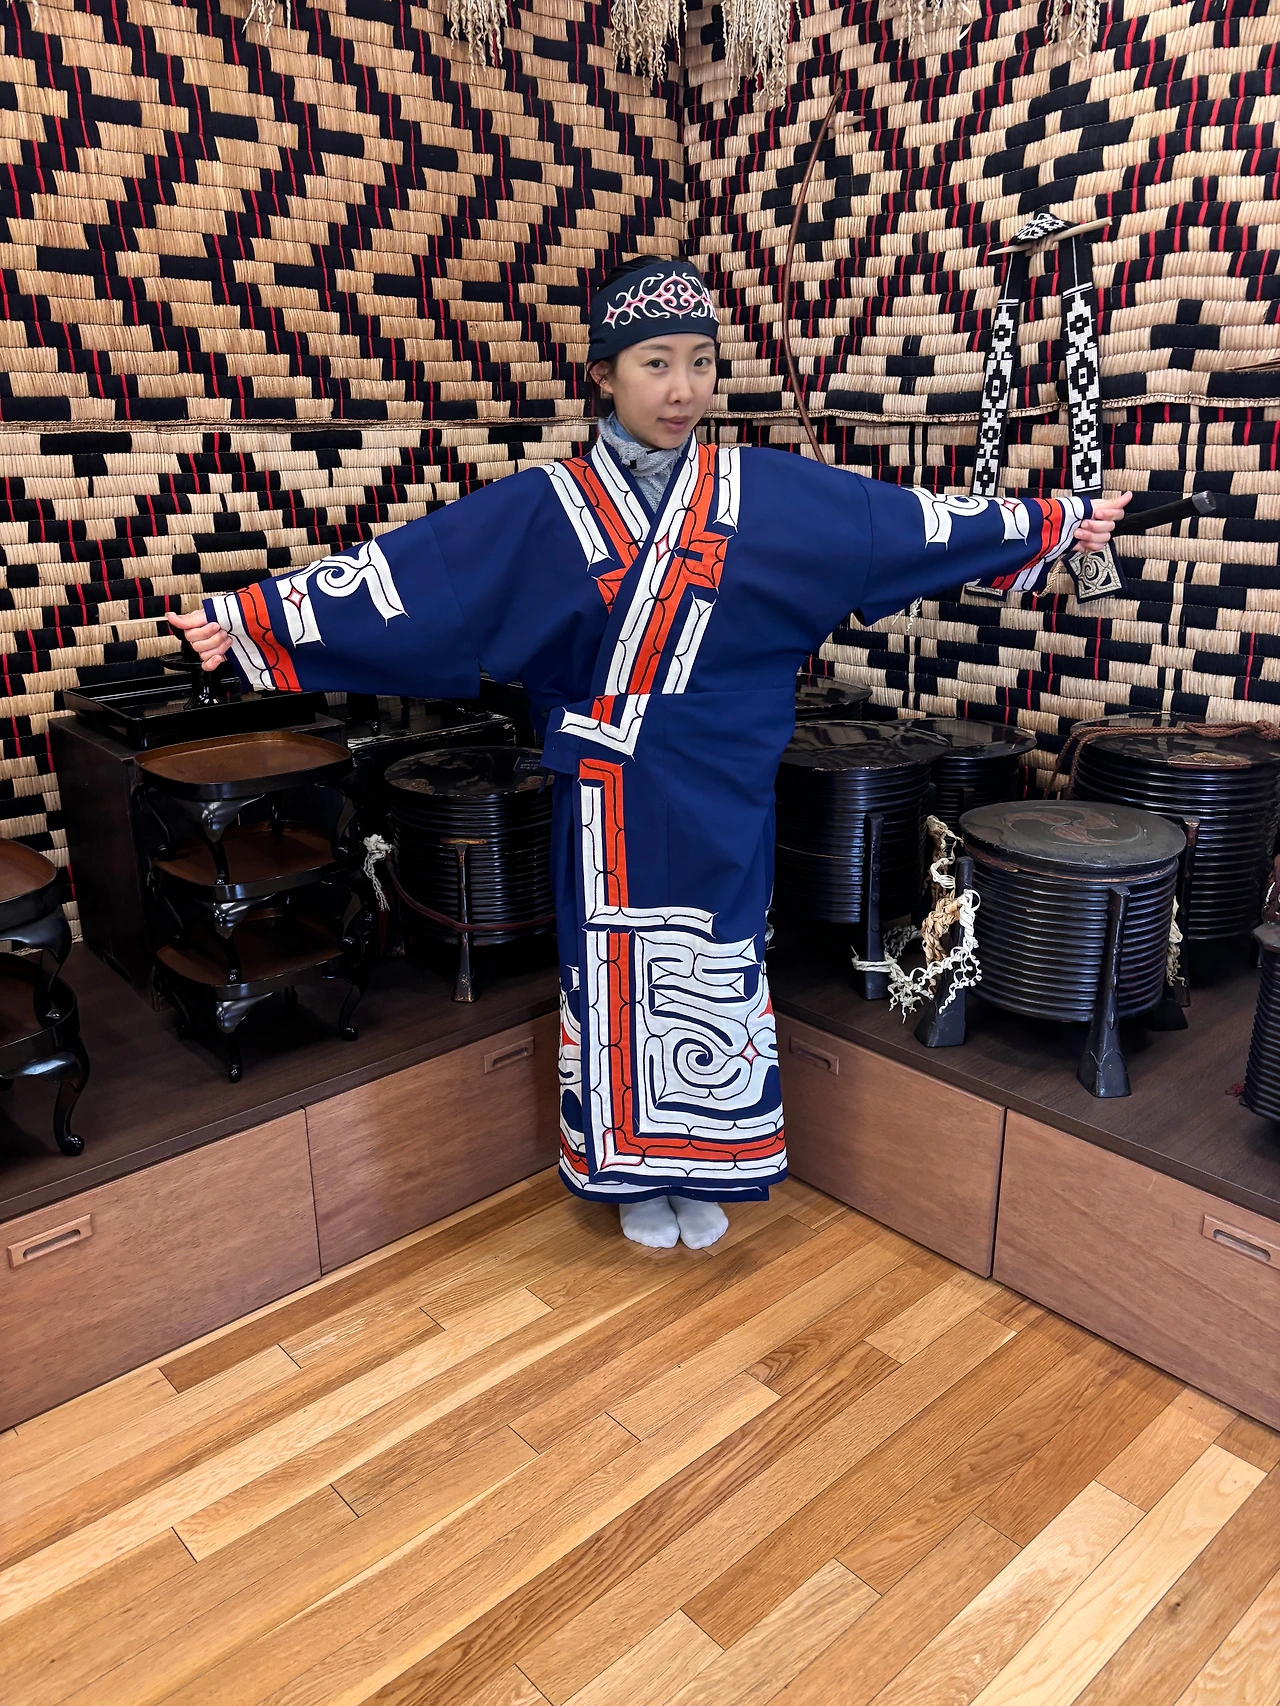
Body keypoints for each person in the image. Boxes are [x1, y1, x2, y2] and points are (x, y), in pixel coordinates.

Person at [171, 256, 1130, 1253]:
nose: (681, 389)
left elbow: (896, 526)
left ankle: (708, 1160)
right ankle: (629, 1171)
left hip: (724, 782)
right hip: (608, 789)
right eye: (654, 363)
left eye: (700, 362)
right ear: (605, 373)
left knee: (717, 963)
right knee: (611, 971)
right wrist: (251, 620)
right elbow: (416, 579)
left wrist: (1050, 521)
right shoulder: (543, 506)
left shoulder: (765, 492)